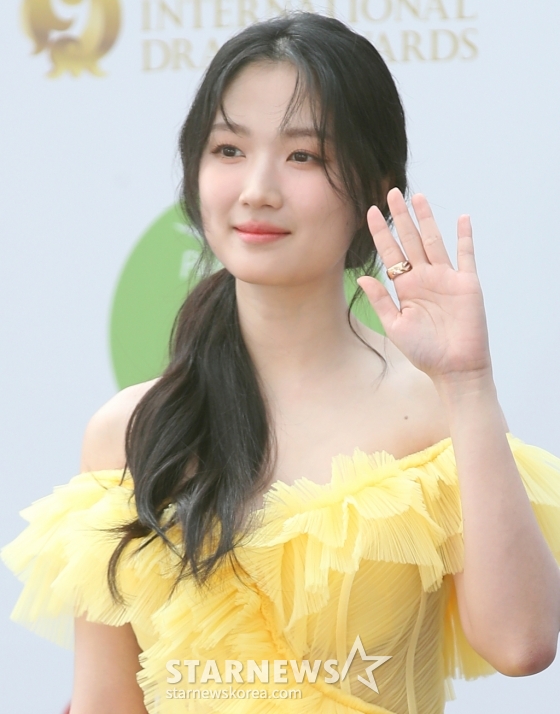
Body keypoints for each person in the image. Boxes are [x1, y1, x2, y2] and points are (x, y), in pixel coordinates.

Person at [2, 12, 560, 714]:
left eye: (304, 156)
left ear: (375, 187)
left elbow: (521, 643)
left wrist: (469, 384)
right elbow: (106, 702)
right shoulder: (129, 430)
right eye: (228, 149)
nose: (257, 188)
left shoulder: (436, 410)